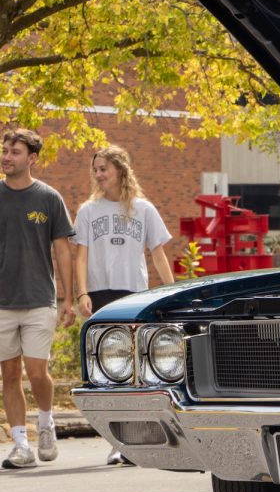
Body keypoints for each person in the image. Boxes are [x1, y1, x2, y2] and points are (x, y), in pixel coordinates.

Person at [72, 145, 174, 465]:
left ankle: (135, 439)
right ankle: (118, 442)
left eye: (104, 168)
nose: (99, 175)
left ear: (120, 169)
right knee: (108, 370)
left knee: (135, 369)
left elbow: (157, 253)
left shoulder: (143, 209)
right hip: (101, 294)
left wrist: (171, 291)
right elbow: (81, 255)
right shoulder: (89, 211)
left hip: (134, 294)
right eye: (96, 169)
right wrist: (82, 293)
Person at [0, 128, 74, 469]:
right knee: (10, 373)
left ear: (31, 158)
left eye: (14, 151)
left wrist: (68, 299)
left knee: (36, 371)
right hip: (2, 301)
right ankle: (20, 444)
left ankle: (46, 424)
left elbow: (62, 250)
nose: (6, 156)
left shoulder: (49, 198)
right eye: (5, 150)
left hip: (39, 298)